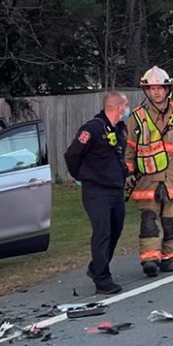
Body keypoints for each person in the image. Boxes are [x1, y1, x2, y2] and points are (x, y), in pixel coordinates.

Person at [127, 66, 173, 277]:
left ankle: (168, 258)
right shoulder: (137, 118)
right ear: (146, 91)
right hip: (147, 179)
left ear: (167, 89)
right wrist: (129, 172)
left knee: (170, 220)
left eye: (160, 87)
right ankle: (150, 259)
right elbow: (129, 148)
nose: (156, 92)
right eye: (152, 88)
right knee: (149, 219)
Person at [64, 91, 131, 295]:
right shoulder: (92, 128)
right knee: (102, 232)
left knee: (115, 230)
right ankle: (102, 278)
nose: (128, 109)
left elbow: (116, 158)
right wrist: (82, 175)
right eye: (126, 106)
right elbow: (72, 154)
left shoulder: (118, 129)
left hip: (115, 190)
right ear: (119, 107)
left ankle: (97, 267)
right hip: (96, 191)